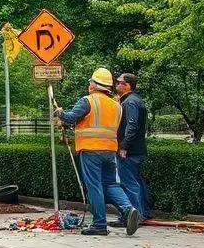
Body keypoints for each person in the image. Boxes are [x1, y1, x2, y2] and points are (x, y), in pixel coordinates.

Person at [54, 67, 141, 236]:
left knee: (94, 186)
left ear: (95, 85)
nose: (89, 85)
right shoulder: (117, 105)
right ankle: (129, 210)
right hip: (109, 151)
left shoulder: (88, 101)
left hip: (90, 150)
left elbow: (71, 117)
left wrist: (61, 113)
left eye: (91, 82)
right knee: (110, 184)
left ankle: (99, 224)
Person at [113, 73, 149, 225]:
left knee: (129, 183)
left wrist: (124, 146)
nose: (116, 84)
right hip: (137, 149)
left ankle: (134, 216)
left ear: (127, 85)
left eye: (119, 82)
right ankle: (142, 212)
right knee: (137, 182)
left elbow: (132, 125)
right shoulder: (135, 100)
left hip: (130, 151)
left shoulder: (130, 102)